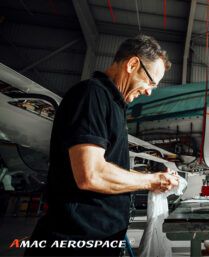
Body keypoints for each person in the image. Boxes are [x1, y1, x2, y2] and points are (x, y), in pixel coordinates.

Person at [25, 35, 179, 256]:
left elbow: (108, 168)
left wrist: (151, 178)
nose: (149, 91)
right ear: (132, 64)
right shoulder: (92, 95)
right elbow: (91, 174)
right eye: (151, 82)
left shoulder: (114, 105)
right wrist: (150, 181)